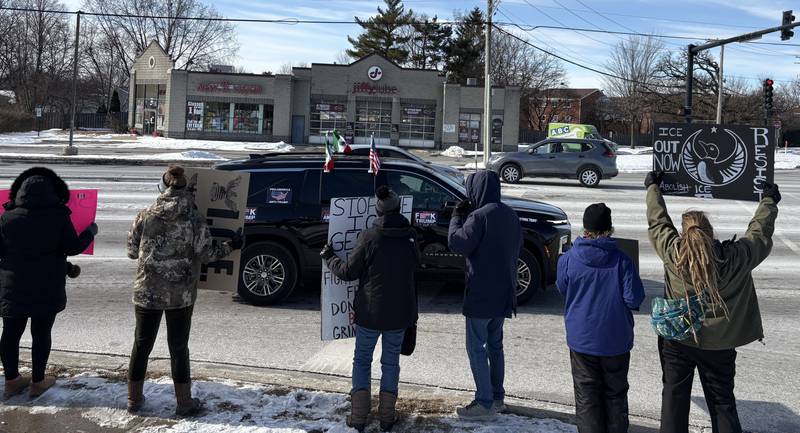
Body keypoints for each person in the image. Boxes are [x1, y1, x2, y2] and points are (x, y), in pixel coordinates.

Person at [645, 171, 779, 433]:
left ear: (684, 233)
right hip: (721, 344)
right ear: (710, 232)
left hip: (679, 338)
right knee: (722, 403)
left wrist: (653, 188)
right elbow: (759, 233)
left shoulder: (674, 254)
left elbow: (658, 223)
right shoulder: (736, 258)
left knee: (674, 400)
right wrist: (768, 201)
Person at [126, 165, 242, 416]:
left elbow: (132, 251)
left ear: (162, 187)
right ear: (186, 190)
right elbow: (208, 254)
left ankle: (134, 400)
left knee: (141, 344)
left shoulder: (145, 215)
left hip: (147, 292)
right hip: (181, 296)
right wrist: (231, 245)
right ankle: (184, 403)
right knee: (178, 348)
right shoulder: (194, 219)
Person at [320, 186, 418, 433]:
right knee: (391, 362)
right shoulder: (410, 236)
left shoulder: (370, 236)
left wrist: (329, 257)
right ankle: (387, 418)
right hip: (400, 313)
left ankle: (359, 417)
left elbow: (348, 272)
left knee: (362, 360)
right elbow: (417, 264)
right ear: (398, 209)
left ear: (378, 211)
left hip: (370, 312)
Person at [0, 167, 97, 400]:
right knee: (41, 332)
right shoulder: (58, 215)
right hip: (47, 286)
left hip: (12, 286)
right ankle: (37, 382)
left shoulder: (7, 217)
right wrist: (90, 232)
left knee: (11, 332)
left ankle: (12, 381)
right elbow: (72, 247)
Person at [556, 203, 645, 433]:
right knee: (615, 396)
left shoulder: (568, 258)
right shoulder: (623, 260)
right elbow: (633, 299)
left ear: (585, 228)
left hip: (581, 340)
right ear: (609, 229)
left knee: (587, 398)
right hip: (615, 341)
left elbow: (562, 288)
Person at [448, 170, 522, 420]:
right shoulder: (510, 214)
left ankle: (483, 402)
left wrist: (457, 217)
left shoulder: (478, 216)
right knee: (495, 346)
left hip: (481, 293)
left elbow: (457, 243)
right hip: (504, 293)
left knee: (476, 347)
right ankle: (497, 397)